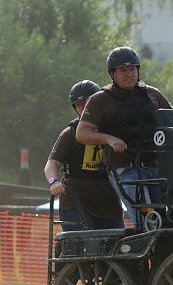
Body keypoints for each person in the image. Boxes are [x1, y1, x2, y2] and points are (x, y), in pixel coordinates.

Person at [76, 47, 173, 228]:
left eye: (132, 69)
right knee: (146, 221)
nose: (129, 74)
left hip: (157, 168)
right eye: (123, 71)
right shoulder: (100, 100)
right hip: (126, 170)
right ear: (112, 74)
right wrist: (109, 139)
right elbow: (82, 133)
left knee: (167, 219)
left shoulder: (153, 93)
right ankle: (143, 255)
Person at [44, 81, 125, 232]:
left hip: (109, 206)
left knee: (118, 251)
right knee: (85, 247)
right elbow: (52, 163)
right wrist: (53, 182)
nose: (83, 108)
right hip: (75, 204)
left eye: (87, 102)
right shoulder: (70, 133)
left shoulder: (114, 129)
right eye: (78, 105)